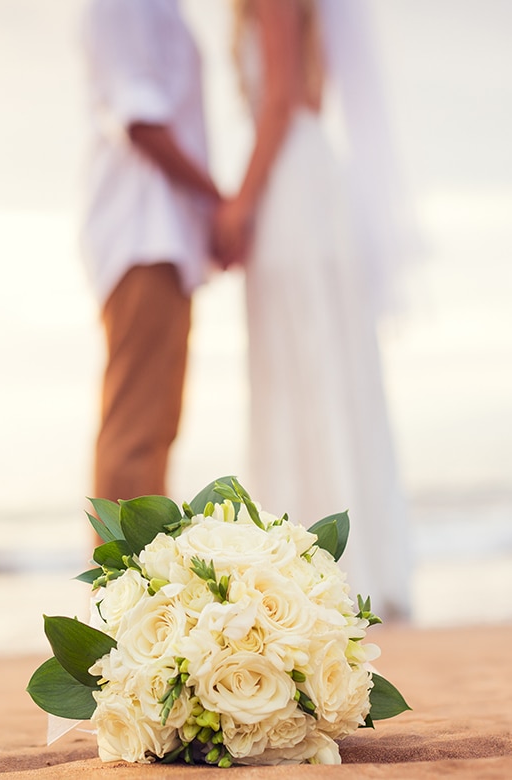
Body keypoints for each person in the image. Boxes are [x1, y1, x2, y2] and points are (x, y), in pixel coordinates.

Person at [214, 0, 415, 619]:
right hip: (311, 179)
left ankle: (313, 575)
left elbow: (282, 99)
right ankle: (353, 565)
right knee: (324, 368)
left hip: (291, 189)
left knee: (297, 371)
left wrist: (240, 203)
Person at [79, 0, 225, 509]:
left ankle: (137, 585)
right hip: (143, 231)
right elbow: (138, 116)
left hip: (163, 233)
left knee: (154, 428)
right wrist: (217, 204)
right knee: (136, 432)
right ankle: (118, 588)